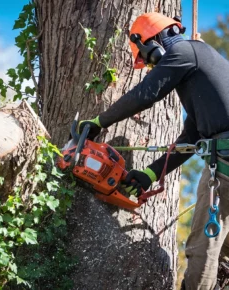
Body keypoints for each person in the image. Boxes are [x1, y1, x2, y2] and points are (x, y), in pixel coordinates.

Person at [78, 12, 229, 290]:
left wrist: (99, 122)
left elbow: (146, 93)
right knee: (225, 254)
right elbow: (191, 138)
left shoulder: (185, 51)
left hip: (225, 168)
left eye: (147, 60)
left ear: (152, 44)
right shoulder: (201, 66)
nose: (150, 68)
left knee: (203, 248)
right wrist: (150, 173)